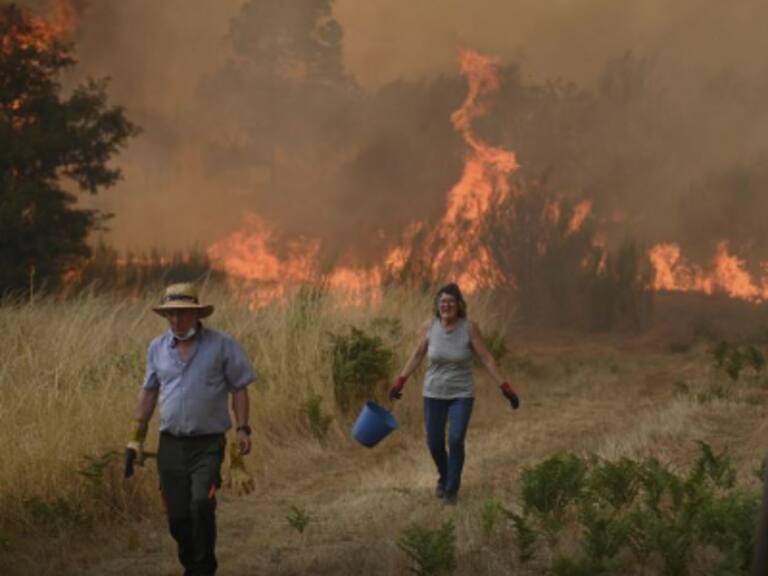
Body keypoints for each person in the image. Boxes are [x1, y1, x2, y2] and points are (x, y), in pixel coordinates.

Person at [125, 282, 256, 576]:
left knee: (201, 504)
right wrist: (135, 439)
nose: (175, 321)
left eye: (182, 314)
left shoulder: (222, 345)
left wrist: (243, 429)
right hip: (170, 444)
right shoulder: (156, 348)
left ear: (196, 314)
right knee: (177, 517)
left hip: (208, 444)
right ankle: (192, 564)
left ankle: (204, 568)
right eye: (170, 315)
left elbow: (239, 388)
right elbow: (148, 392)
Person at [389, 282, 519, 504]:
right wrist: (400, 381)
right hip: (433, 393)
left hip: (461, 394)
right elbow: (418, 354)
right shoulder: (429, 326)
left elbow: (486, 358)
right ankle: (444, 475)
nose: (446, 306)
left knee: (456, 439)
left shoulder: (469, 328)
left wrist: (505, 387)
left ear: (459, 305)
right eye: (442, 302)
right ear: (437, 306)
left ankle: (451, 490)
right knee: (435, 443)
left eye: (450, 302)